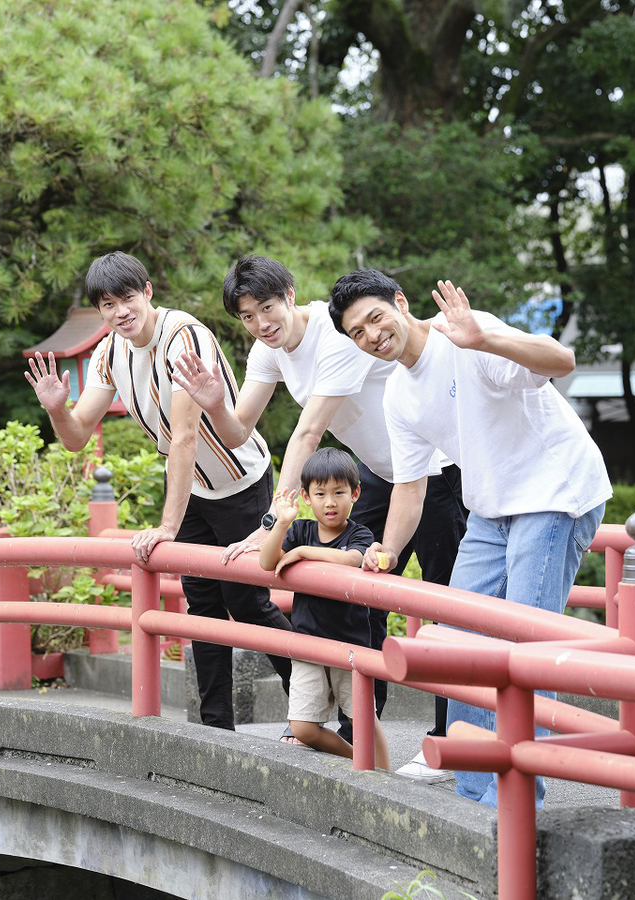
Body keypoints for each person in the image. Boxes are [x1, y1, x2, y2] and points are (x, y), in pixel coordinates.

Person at [172, 255, 465, 779]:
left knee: (442, 607)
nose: (262, 324)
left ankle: (446, 743)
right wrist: (216, 404)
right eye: (246, 317)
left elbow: (308, 435)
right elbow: (238, 431)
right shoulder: (268, 351)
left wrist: (269, 524)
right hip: (379, 475)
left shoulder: (334, 334)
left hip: (437, 472)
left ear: (289, 293)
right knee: (353, 595)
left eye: (267, 307)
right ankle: (359, 729)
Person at [327, 270, 611, 808]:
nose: (372, 336)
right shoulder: (399, 397)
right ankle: (476, 794)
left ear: (400, 303)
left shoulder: (466, 335)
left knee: (524, 645)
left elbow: (561, 361)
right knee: (458, 644)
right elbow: (410, 489)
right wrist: (385, 552)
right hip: (491, 507)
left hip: (553, 490)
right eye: (357, 333)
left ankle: (523, 801)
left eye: (375, 318)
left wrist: (486, 339)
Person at [24, 251, 293, 730]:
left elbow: (185, 435)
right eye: (108, 304)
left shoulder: (182, 335)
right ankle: (215, 728)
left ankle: (312, 708)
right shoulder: (110, 352)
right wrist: (56, 409)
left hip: (238, 482)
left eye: (127, 298)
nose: (120, 312)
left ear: (147, 291)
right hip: (191, 490)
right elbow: (77, 436)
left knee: (247, 604)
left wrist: (168, 525)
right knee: (202, 606)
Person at [258, 448, 390, 769]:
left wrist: (304, 552)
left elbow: (353, 558)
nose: (330, 502)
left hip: (349, 646)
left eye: (339, 492)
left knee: (363, 719)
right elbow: (266, 562)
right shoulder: (300, 528)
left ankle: (386, 774)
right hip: (308, 644)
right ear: (306, 497)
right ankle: (359, 759)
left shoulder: (359, 533)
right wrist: (282, 524)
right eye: (320, 494)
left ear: (355, 494)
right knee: (303, 727)